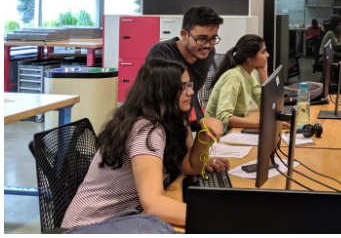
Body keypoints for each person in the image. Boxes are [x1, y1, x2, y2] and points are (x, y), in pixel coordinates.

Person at [62, 59, 229, 229]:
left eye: (189, 84)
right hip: (88, 226)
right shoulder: (146, 129)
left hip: (123, 219)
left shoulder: (173, 120)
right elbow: (153, 204)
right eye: (183, 87)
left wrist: (203, 132)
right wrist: (217, 218)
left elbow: (191, 167)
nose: (191, 91)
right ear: (162, 92)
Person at [146, 6, 223, 114]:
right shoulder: (161, 52)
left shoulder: (208, 53)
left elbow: (191, 95)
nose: (208, 45)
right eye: (202, 39)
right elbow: (160, 101)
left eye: (213, 38)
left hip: (181, 118)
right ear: (184, 34)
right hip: (156, 118)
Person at [205, 35, 290, 131]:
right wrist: (262, 123)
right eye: (263, 52)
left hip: (233, 130)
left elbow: (266, 104)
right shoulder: (233, 77)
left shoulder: (248, 74)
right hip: (217, 134)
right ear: (249, 57)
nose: (267, 55)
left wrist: (263, 73)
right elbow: (224, 117)